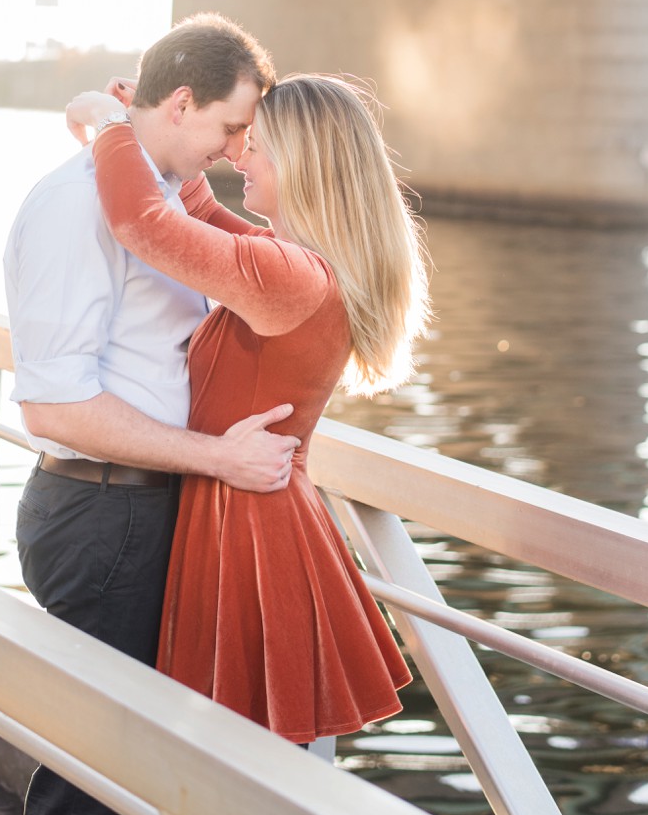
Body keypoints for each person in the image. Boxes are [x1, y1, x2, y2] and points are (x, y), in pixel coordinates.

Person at [66, 73, 430, 746]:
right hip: (256, 514)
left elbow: (141, 223)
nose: (239, 156)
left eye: (255, 145)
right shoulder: (301, 266)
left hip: (246, 531)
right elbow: (198, 219)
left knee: (228, 770)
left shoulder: (290, 276)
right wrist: (148, 125)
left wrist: (107, 128)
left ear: (303, 163)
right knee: (236, 771)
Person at [5, 13, 298, 815]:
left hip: (143, 507)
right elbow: (53, 404)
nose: (237, 149)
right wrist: (218, 459)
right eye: (231, 126)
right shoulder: (79, 206)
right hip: (105, 515)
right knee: (92, 778)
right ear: (179, 103)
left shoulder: (164, 197)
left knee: (135, 768)